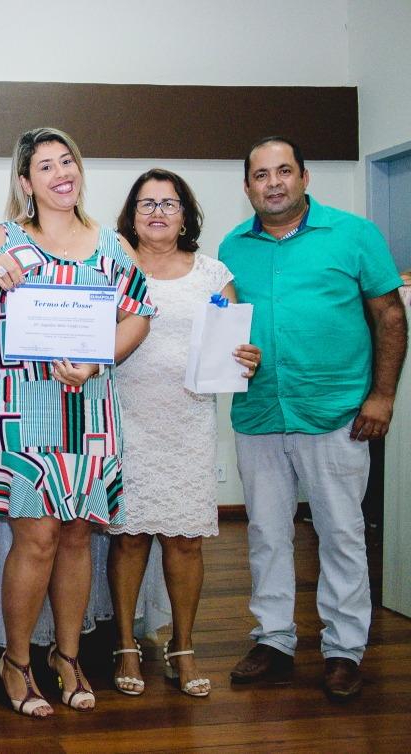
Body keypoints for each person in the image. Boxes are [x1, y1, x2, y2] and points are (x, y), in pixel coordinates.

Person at [0, 128, 157, 718]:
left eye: (68, 161)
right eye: (46, 166)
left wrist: (99, 360)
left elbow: (138, 316)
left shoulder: (113, 245)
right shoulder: (2, 240)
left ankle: (67, 656)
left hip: (88, 410)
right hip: (17, 411)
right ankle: (16, 660)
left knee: (75, 535)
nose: (61, 173)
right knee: (36, 539)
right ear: (26, 182)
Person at [221, 136, 408, 699]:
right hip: (259, 412)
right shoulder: (230, 249)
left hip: (335, 412)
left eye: (284, 171)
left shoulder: (354, 235)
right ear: (247, 185)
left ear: (304, 176)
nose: (273, 182)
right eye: (261, 174)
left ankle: (344, 648)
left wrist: (382, 397)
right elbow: (219, 328)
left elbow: (390, 317)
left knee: (342, 533)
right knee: (266, 534)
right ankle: (274, 639)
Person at [107, 169, 261, 699]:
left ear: (185, 215)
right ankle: (126, 644)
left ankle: (183, 646)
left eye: (169, 204)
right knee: (128, 538)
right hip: (124, 417)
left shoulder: (212, 272)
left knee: (185, 539)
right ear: (132, 214)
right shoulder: (113, 267)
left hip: (188, 419)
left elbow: (231, 340)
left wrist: (245, 356)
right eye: (146, 203)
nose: (157, 212)